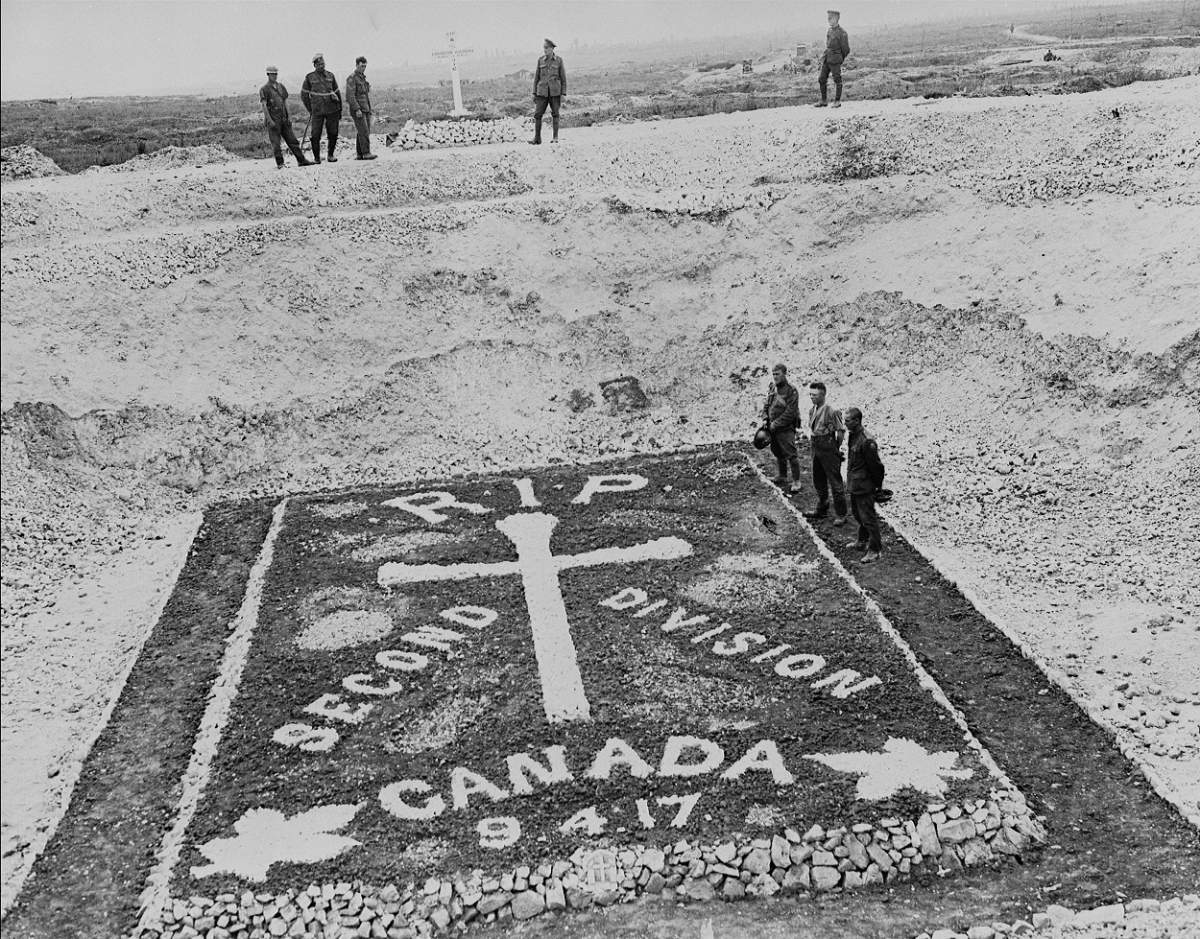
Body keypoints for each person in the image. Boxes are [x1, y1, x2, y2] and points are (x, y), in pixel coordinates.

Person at [843, 407, 885, 563]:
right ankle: (862, 541)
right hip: (855, 483)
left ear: (856, 421)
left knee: (868, 518)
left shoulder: (867, 441)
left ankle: (875, 549)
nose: (845, 423)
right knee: (857, 513)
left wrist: (877, 487)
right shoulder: (853, 435)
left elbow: (877, 467)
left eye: (847, 420)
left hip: (864, 485)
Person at [803, 381, 848, 525]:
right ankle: (822, 508)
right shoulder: (812, 410)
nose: (812, 397)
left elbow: (840, 431)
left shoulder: (831, 411)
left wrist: (836, 447)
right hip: (816, 445)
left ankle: (841, 514)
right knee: (818, 478)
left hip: (828, 445)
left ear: (823, 395)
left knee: (835, 482)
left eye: (815, 395)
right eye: (810, 394)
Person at [260, 66, 312, 168]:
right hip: (273, 119)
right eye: (272, 74)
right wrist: (270, 120)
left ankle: (301, 160)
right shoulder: (264, 89)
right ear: (268, 75)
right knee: (276, 143)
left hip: (283, 118)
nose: (274, 76)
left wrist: (289, 116)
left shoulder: (281, 87)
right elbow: (264, 106)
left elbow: (285, 102)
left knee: (292, 140)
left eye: (275, 74)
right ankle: (280, 163)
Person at [761, 364, 802, 491]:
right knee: (777, 451)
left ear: (784, 374)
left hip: (786, 428)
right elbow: (767, 404)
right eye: (773, 374)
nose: (775, 377)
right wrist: (764, 418)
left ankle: (797, 481)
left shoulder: (792, 391)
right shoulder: (773, 388)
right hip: (773, 427)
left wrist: (775, 424)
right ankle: (783, 475)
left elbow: (790, 413)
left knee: (791, 454)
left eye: (777, 374)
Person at [302, 53, 342, 163]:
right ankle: (317, 158)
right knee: (315, 135)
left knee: (333, 133)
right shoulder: (309, 77)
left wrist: (340, 109)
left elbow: (338, 93)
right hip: (317, 111)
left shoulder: (331, 75)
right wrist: (310, 109)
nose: (322, 66)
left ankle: (330, 155)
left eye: (323, 63)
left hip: (332, 109)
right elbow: (304, 95)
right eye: (319, 64)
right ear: (314, 65)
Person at [530, 38, 566, 144]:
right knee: (537, 114)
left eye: (546, 48)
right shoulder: (540, 60)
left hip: (555, 92)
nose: (544, 50)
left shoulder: (559, 60)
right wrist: (534, 92)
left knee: (555, 114)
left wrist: (563, 93)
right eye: (544, 48)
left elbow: (563, 78)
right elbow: (536, 78)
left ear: (552, 49)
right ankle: (537, 138)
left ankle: (555, 137)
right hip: (542, 92)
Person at [816, 9, 850, 108]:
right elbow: (828, 45)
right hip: (827, 58)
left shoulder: (842, 33)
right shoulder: (829, 31)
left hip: (835, 60)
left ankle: (837, 101)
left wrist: (839, 58)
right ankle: (823, 100)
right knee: (821, 79)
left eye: (830, 18)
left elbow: (846, 49)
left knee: (837, 80)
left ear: (836, 19)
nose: (829, 20)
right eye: (828, 18)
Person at [345, 56, 376, 160]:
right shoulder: (352, 78)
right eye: (362, 66)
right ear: (357, 65)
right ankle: (366, 153)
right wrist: (357, 109)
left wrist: (369, 109)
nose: (364, 68)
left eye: (365, 66)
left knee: (362, 131)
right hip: (358, 110)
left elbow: (365, 96)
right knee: (364, 131)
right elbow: (350, 96)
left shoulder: (362, 78)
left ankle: (359, 154)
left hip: (365, 108)